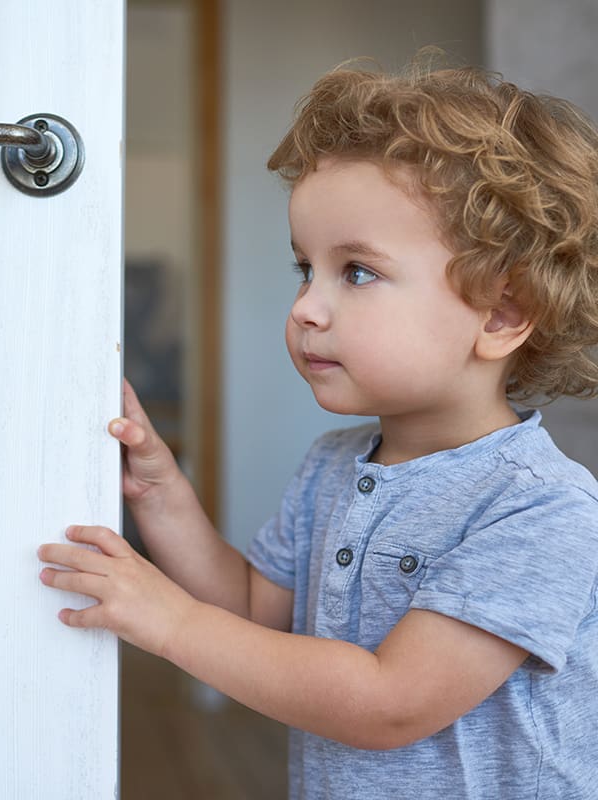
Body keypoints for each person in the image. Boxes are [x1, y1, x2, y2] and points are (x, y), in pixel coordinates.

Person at [38, 58, 598, 798]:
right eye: (306, 268)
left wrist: (169, 624)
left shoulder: (540, 510)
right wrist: (162, 493)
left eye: (357, 272)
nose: (306, 306)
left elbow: (391, 704)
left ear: (499, 315)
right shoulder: (334, 465)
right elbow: (247, 611)